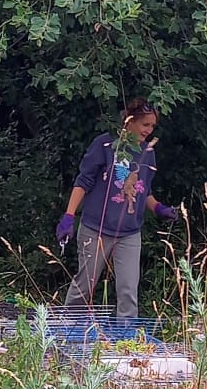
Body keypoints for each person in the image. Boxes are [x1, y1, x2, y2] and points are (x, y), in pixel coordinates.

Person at [56, 100, 180, 321]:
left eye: (152, 126)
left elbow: (144, 191)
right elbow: (83, 182)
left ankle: (126, 336)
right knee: (85, 284)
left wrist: (158, 208)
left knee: (128, 289)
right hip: (96, 228)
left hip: (129, 232)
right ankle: (68, 326)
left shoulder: (147, 152)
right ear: (129, 121)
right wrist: (69, 216)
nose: (148, 130)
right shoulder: (105, 144)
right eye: (145, 124)